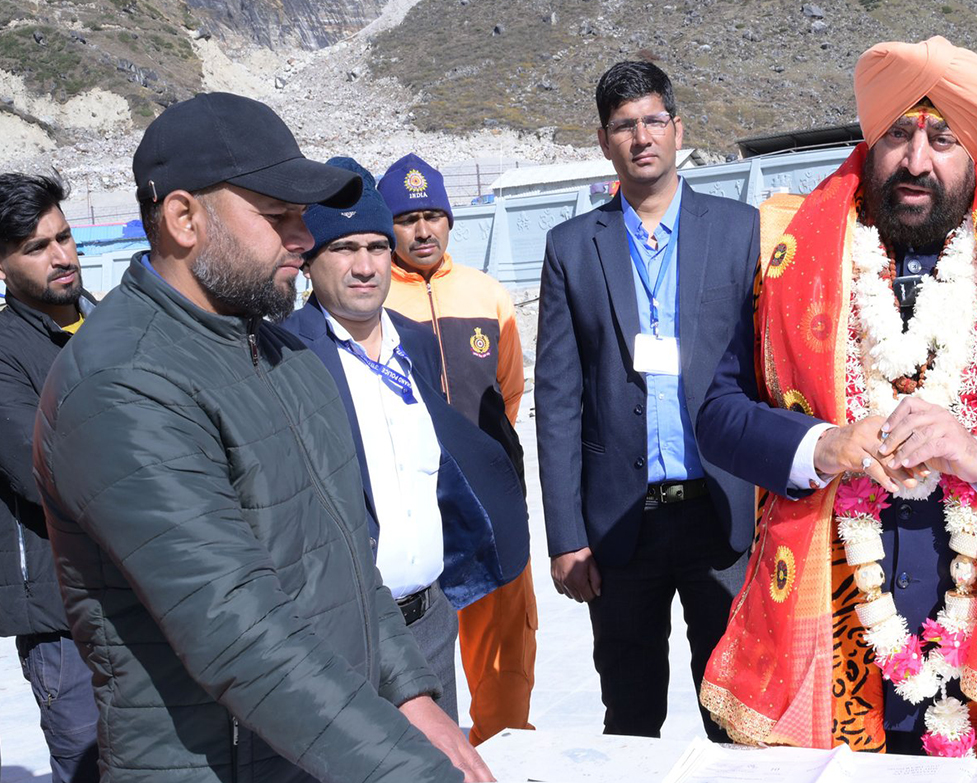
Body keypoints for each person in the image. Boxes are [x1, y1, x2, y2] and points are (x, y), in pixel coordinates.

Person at [32, 93, 562, 783]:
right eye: (277, 215)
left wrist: (413, 698)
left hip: (319, 776)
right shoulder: (123, 387)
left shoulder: (276, 349)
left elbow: (347, 562)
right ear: (182, 218)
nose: (303, 238)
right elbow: (237, 631)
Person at [696, 36, 977, 759]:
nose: (917, 159)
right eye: (899, 133)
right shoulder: (791, 258)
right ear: (872, 142)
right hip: (831, 657)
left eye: (943, 138)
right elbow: (719, 416)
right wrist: (820, 446)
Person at [535, 62, 756, 739]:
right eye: (624, 126)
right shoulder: (573, 247)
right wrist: (567, 537)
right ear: (604, 141)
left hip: (718, 517)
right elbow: (558, 399)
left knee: (735, 709)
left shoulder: (740, 231)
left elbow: (769, 377)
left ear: (678, 129)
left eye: (654, 120)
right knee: (630, 714)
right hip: (620, 527)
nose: (641, 137)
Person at [280, 163, 531, 724]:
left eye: (374, 245)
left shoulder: (411, 343)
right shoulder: (287, 355)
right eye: (344, 249)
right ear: (308, 260)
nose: (366, 266)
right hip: (344, 638)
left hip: (430, 625)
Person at [0, 173, 137, 783]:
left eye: (62, 237)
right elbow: (40, 464)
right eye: (35, 246)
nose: (60, 256)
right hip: (62, 610)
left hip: (151, 586)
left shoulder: (116, 321)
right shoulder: (4, 350)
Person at [380, 154, 537, 746]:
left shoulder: (487, 295)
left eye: (433, 216)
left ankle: (508, 752)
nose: (423, 231)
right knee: (420, 656)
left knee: (504, 650)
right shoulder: (371, 299)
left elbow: (510, 393)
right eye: (407, 219)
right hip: (414, 512)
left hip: (489, 505)